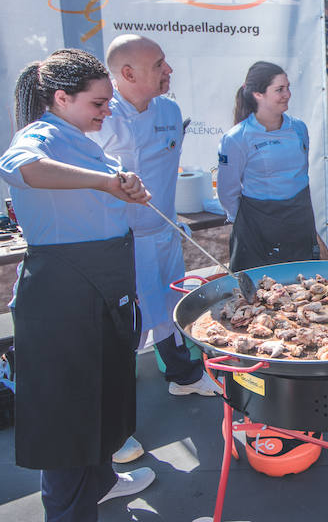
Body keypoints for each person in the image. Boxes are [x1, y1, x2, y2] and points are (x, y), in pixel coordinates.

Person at [0, 49, 155, 521]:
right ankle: (67, 510)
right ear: (61, 98)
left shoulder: (83, 138)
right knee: (68, 412)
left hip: (103, 287)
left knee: (105, 394)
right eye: (98, 103)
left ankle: (103, 482)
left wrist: (121, 186)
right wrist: (105, 184)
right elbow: (20, 169)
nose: (107, 111)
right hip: (63, 298)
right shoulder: (38, 137)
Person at [91, 36, 221, 467]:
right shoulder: (102, 120)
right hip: (120, 243)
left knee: (170, 307)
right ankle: (113, 430)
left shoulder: (169, 111)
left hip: (164, 233)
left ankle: (183, 376)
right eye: (159, 64)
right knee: (123, 332)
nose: (169, 71)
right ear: (127, 74)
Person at [218, 61, 321, 271]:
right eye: (279, 89)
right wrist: (247, 220)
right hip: (259, 226)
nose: (287, 94)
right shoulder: (236, 138)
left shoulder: (299, 128)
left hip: (299, 218)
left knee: (305, 287)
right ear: (258, 94)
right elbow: (227, 191)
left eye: (288, 87)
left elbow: (301, 173)